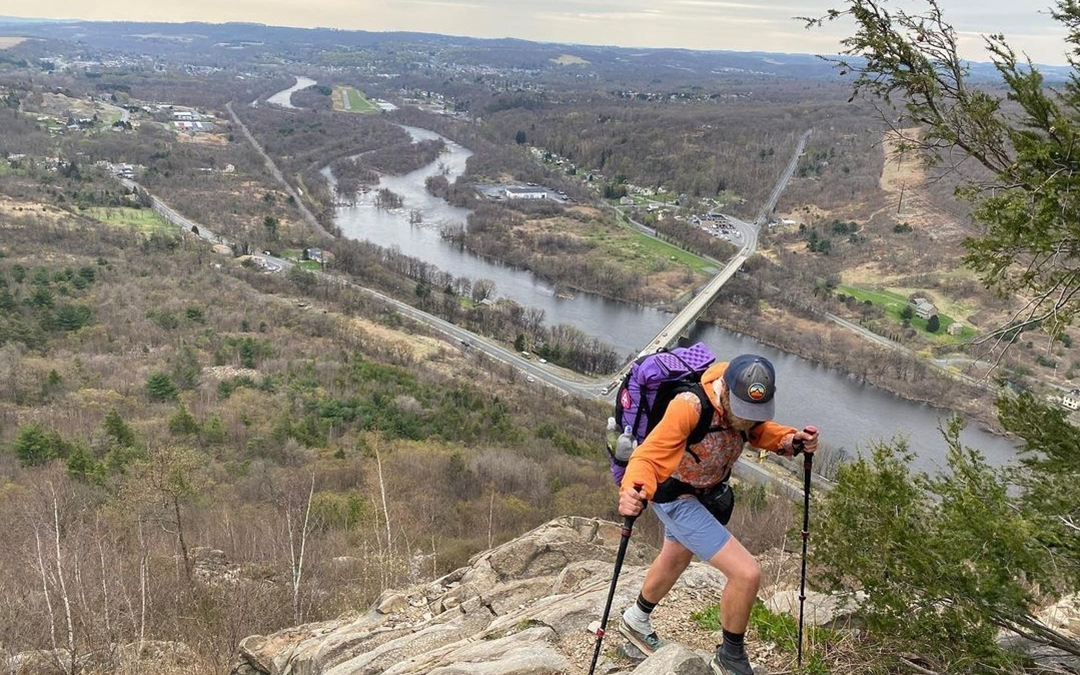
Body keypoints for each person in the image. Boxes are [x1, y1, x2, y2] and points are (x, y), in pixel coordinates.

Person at [616, 354, 818, 675]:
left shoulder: (744, 410)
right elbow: (648, 456)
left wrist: (789, 439)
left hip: (706, 494)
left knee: (675, 557)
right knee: (746, 573)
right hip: (675, 496)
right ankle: (730, 657)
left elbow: (757, 431)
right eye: (743, 411)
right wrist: (633, 489)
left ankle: (635, 620)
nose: (748, 419)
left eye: (755, 412)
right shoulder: (690, 406)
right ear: (726, 392)